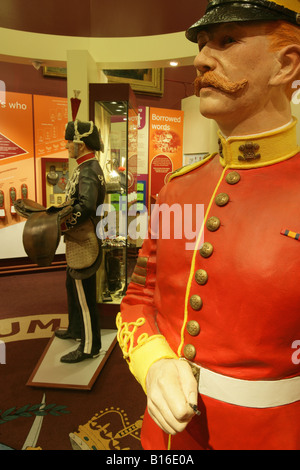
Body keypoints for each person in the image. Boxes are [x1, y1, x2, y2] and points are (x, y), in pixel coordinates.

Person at [117, 0, 300, 450]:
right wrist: (154, 362)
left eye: (226, 41)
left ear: (286, 64)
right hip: (168, 435)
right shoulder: (178, 189)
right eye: (201, 45)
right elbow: (141, 296)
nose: (201, 60)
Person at [55, 120, 106, 363]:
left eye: (70, 142)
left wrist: (63, 223)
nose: (67, 146)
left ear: (81, 144)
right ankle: (76, 329)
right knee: (71, 286)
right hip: (81, 237)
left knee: (84, 296)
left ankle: (89, 347)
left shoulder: (88, 169)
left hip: (85, 239)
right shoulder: (87, 166)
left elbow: (86, 205)